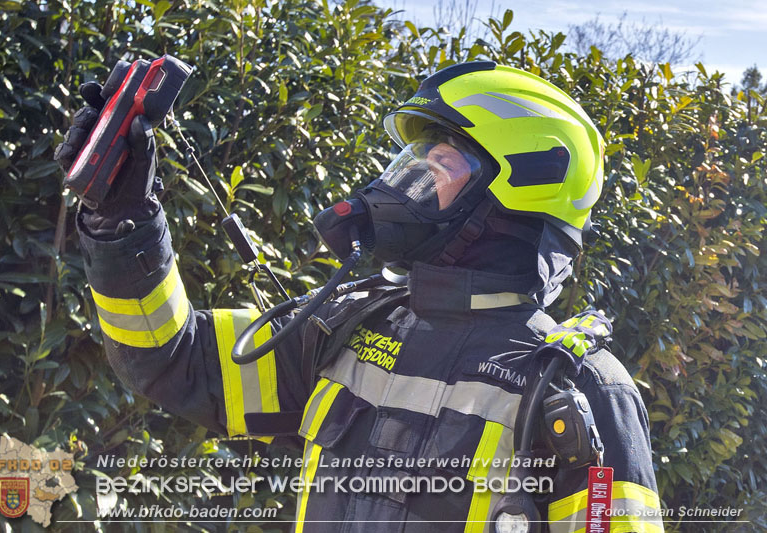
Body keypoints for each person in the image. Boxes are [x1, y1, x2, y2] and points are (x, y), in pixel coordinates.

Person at [56, 60, 664, 532]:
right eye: (410, 161)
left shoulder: (577, 390)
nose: (404, 183)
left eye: (439, 164)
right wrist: (122, 221)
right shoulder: (345, 330)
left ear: (514, 195)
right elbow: (173, 358)